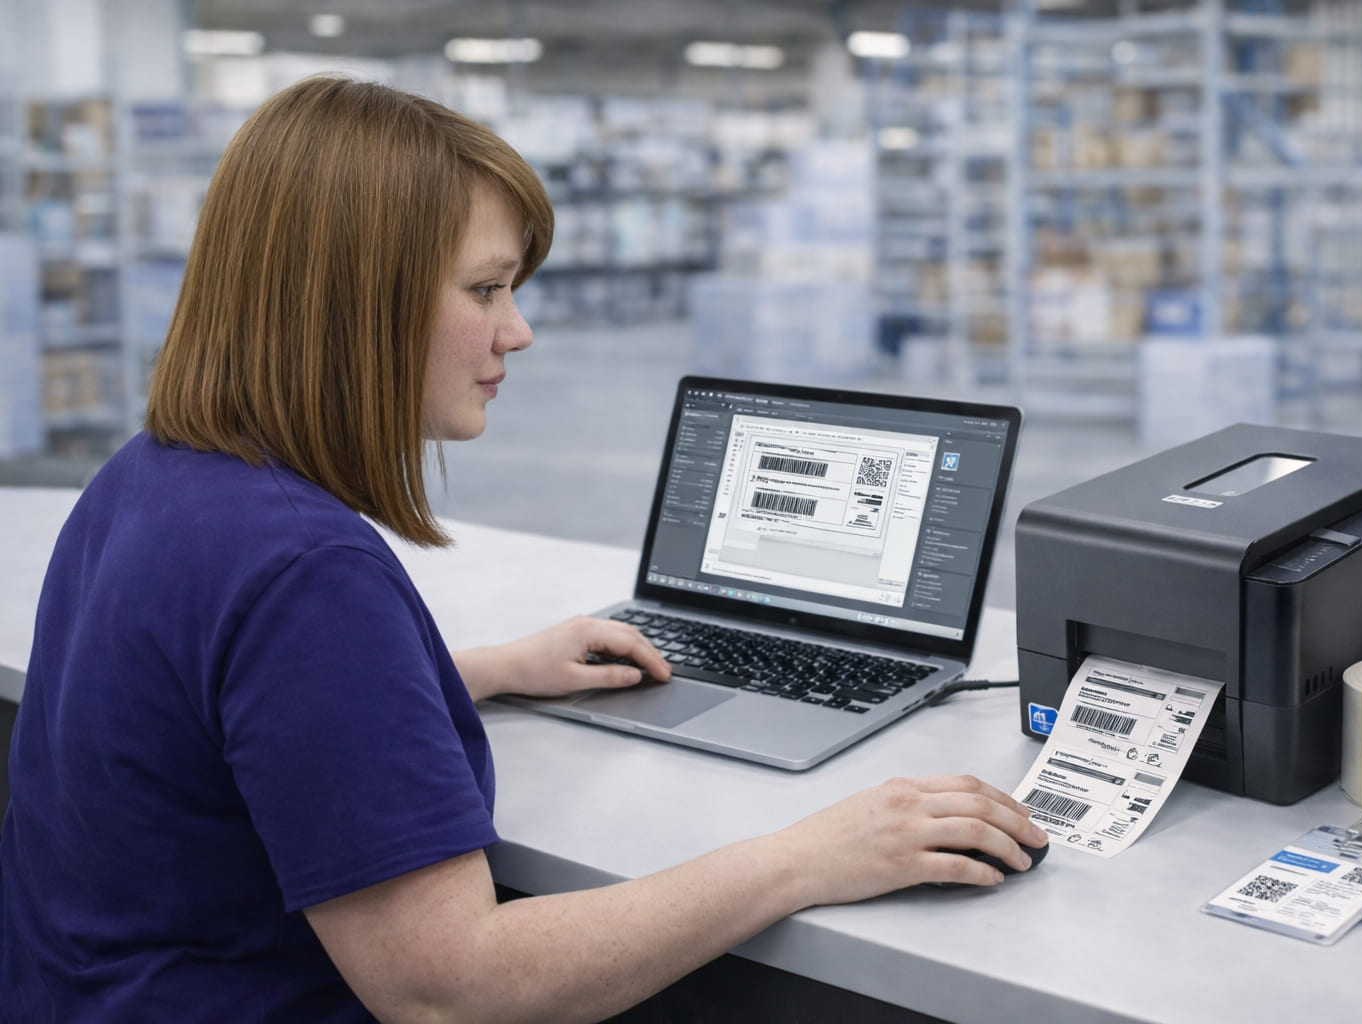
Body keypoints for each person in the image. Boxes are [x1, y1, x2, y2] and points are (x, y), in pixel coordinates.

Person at [0, 76, 1045, 1023]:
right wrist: (807, 856)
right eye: (487, 290)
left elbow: (223, 719)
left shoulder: (155, 474)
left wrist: (487, 671)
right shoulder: (304, 572)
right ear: (359, 304)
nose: (520, 331)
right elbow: (449, 986)